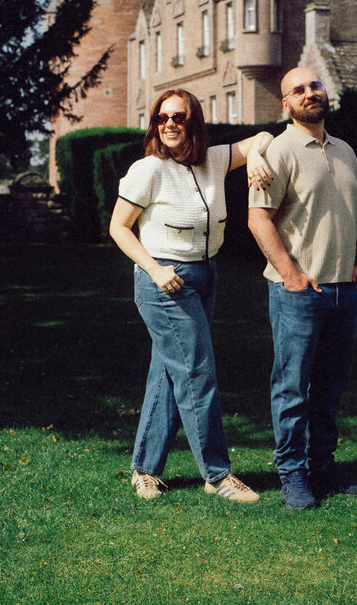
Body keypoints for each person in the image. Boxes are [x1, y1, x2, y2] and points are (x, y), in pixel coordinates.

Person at [110, 87, 274, 503]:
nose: (169, 124)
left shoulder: (214, 160)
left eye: (178, 117)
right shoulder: (148, 169)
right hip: (165, 282)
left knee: (170, 372)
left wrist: (256, 155)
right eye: (162, 118)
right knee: (197, 372)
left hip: (205, 277)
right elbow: (118, 227)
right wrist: (155, 269)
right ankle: (217, 474)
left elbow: (263, 136)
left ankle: (144, 471)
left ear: (193, 122)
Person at [247, 67, 357, 510]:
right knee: (293, 388)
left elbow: (356, 210)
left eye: (314, 86)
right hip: (298, 293)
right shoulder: (278, 151)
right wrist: (291, 275)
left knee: (331, 386)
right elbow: (258, 218)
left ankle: (323, 466)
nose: (309, 93)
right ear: (286, 104)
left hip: (344, 290)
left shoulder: (345, 150)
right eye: (297, 90)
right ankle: (292, 474)